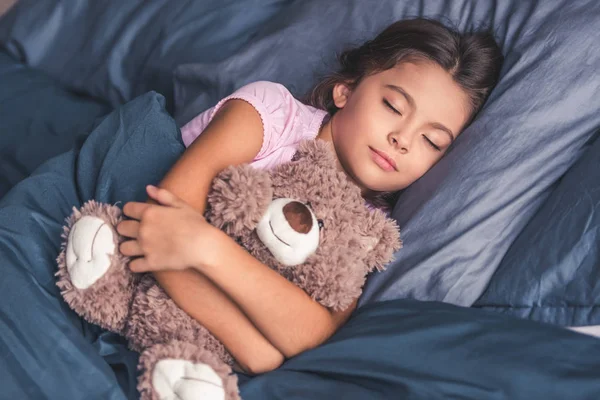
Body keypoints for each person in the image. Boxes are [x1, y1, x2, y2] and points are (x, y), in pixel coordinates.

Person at [115, 18, 503, 375]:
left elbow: (309, 333)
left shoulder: (368, 227)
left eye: (431, 141)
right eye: (393, 106)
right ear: (345, 90)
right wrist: (256, 349)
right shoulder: (272, 115)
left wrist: (207, 248)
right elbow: (156, 226)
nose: (402, 139)